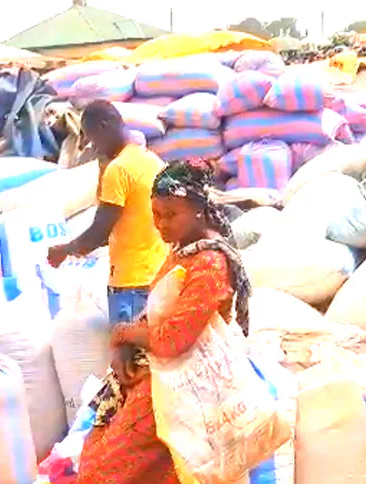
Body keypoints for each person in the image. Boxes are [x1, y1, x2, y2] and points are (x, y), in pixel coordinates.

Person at [74, 160, 252, 484]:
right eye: (155, 214)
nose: (161, 225)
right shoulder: (184, 249)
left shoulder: (211, 263)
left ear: (198, 209)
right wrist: (126, 345)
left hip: (185, 381)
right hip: (159, 370)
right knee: (100, 455)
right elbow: (157, 310)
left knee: (105, 472)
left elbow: (173, 339)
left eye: (170, 215)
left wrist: (123, 333)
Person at [47, 100, 168, 327]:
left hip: (131, 283)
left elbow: (99, 233)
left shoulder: (119, 169)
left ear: (104, 127)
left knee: (129, 359)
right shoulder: (154, 162)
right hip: (158, 276)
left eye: (93, 138)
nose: (94, 147)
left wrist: (64, 251)